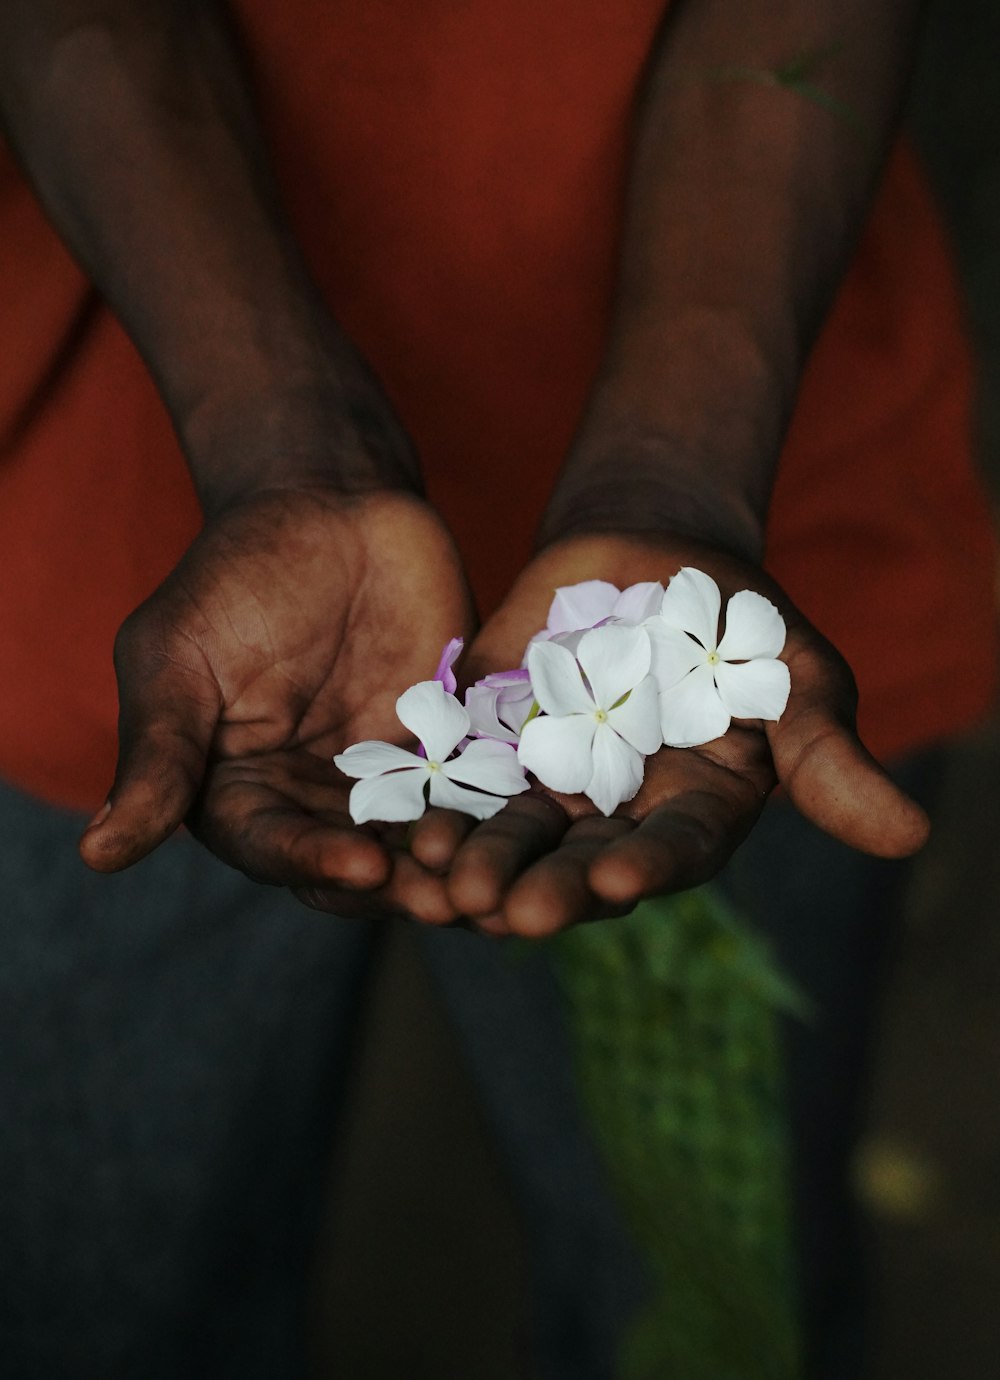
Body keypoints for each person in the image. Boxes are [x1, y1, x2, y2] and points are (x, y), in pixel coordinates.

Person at [0, 2, 993, 1376]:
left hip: (761, 485)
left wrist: (679, 467)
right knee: (108, 1301)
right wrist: (276, 431)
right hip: (150, 552)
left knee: (704, 1303)